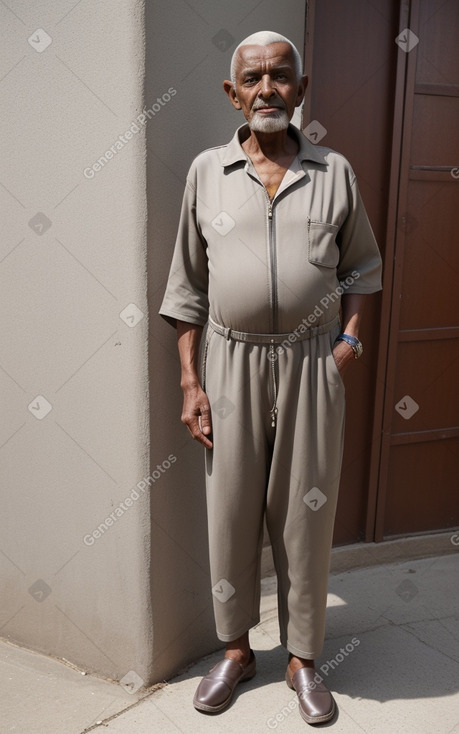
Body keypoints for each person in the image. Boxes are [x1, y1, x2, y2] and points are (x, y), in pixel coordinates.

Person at [159, 30, 382, 726]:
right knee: (228, 515)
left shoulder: (333, 171)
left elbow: (363, 271)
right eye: (251, 79)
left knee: (304, 518)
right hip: (228, 363)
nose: (266, 91)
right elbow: (185, 290)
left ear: (301, 88)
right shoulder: (206, 172)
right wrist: (192, 385)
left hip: (312, 364)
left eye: (279, 77)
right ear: (233, 94)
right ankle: (235, 650)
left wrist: (346, 341)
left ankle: (304, 658)